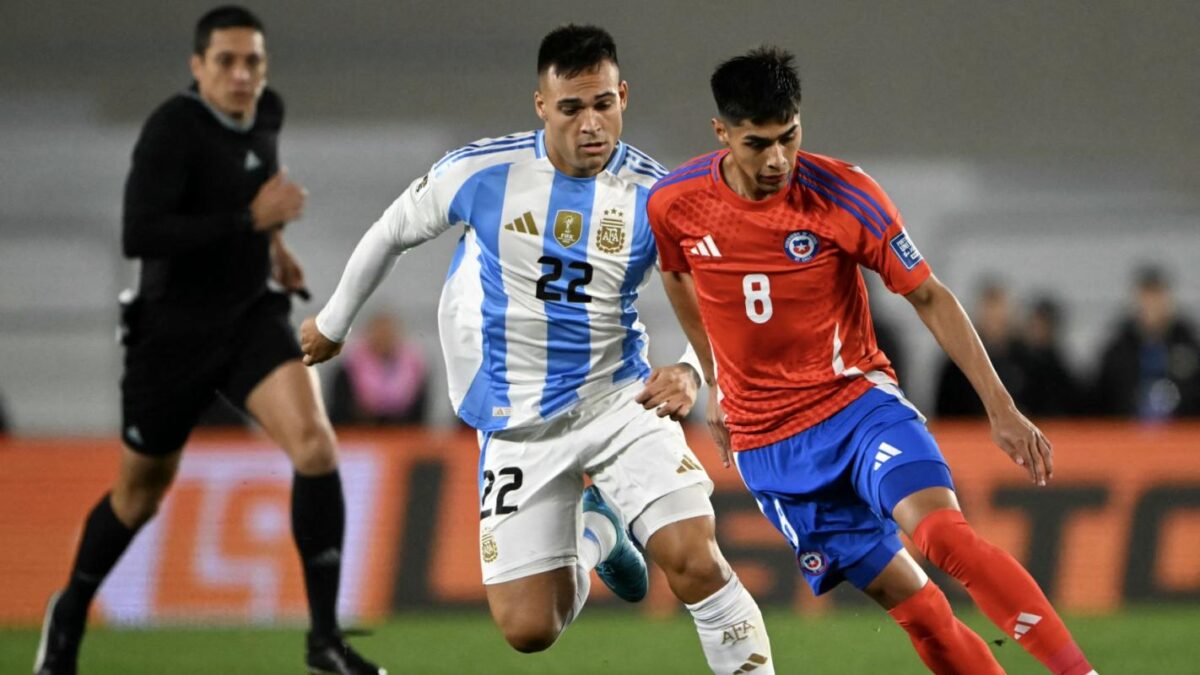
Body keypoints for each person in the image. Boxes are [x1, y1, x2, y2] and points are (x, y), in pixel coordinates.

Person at [301, 25, 774, 674]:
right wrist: (333, 321)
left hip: (619, 401)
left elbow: (716, 298)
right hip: (516, 426)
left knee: (695, 558)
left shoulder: (657, 195)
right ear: (541, 105)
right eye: (572, 107)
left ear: (623, 97)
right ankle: (598, 531)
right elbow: (393, 230)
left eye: (603, 104)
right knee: (529, 628)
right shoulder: (482, 172)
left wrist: (695, 373)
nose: (591, 124)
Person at [648, 47, 1096, 675]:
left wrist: (1002, 408)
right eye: (758, 144)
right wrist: (715, 378)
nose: (778, 159)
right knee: (919, 613)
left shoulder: (844, 194)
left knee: (944, 537)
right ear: (721, 133)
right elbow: (676, 276)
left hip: (856, 408)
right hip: (768, 446)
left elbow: (930, 296)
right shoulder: (674, 202)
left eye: (790, 136)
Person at [34, 7, 383, 675]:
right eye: (226, 61)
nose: (242, 73)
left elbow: (255, 187)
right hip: (170, 332)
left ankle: (324, 641)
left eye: (253, 60)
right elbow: (142, 234)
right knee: (138, 495)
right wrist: (249, 218)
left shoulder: (267, 113)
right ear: (198, 68)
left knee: (314, 444)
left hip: (250, 316)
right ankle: (71, 609)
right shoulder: (170, 131)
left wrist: (274, 245)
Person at [1093, 265, 1200, 420]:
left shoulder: (1189, 346)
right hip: (1127, 437)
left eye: (1156, 296)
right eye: (1146, 297)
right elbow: (1101, 399)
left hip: (1182, 438)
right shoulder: (1118, 350)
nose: (1151, 304)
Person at [935, 280, 1029, 418]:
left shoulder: (1027, 361)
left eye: (999, 309)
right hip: (969, 436)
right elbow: (945, 412)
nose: (995, 317)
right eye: (989, 310)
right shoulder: (957, 362)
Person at [327, 311, 429, 425]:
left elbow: (419, 415)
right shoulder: (348, 369)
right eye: (379, 332)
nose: (384, 337)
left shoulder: (414, 370)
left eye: (388, 333)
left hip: (401, 433)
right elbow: (339, 412)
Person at [1023, 296, 1084, 417]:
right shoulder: (1018, 362)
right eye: (1035, 325)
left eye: (1043, 325)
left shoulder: (1061, 368)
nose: (1038, 330)